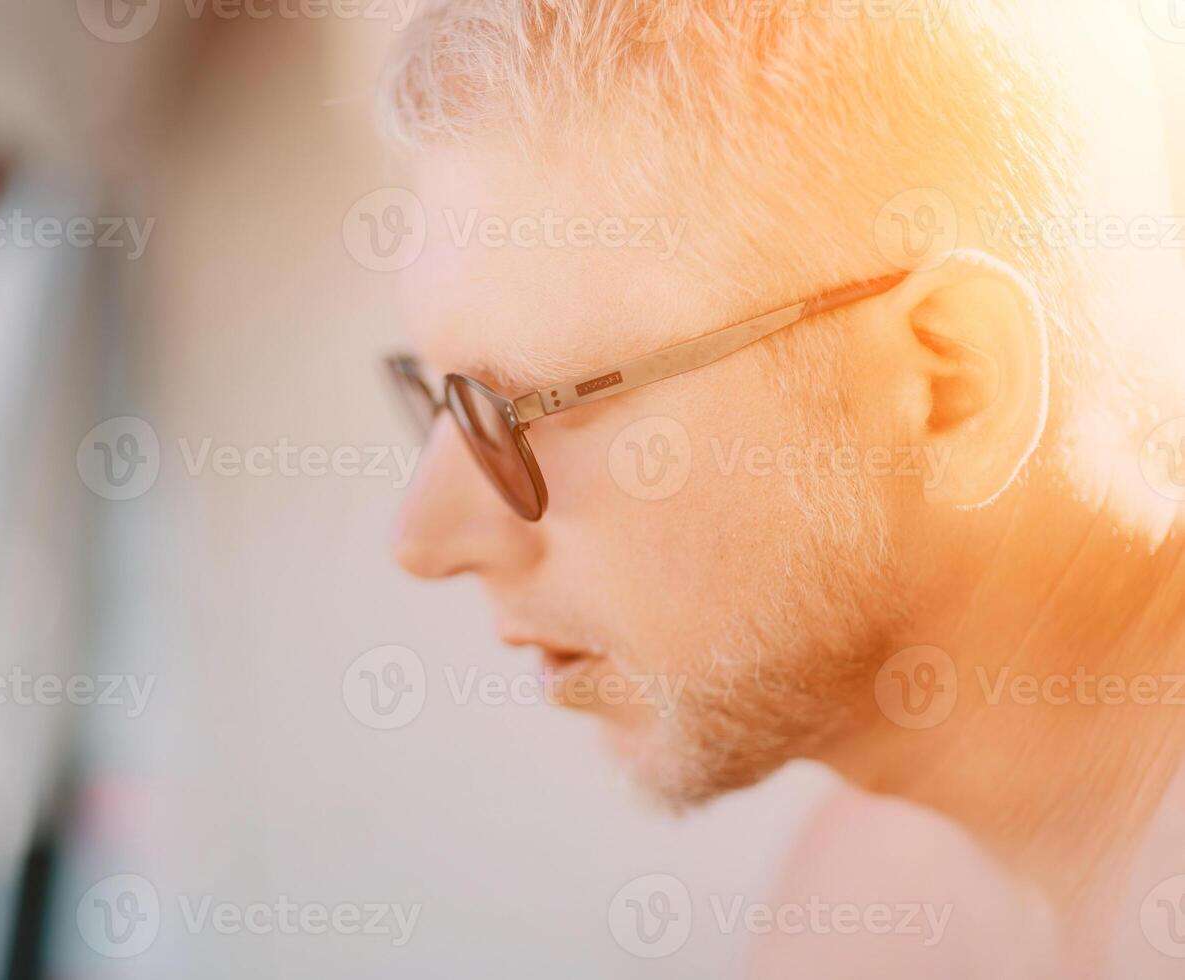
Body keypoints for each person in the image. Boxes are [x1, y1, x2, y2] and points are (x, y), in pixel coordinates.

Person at [377, 1, 1185, 974]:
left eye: (511, 409)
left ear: (951, 387)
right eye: (439, 402)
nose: (424, 538)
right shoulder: (853, 907)